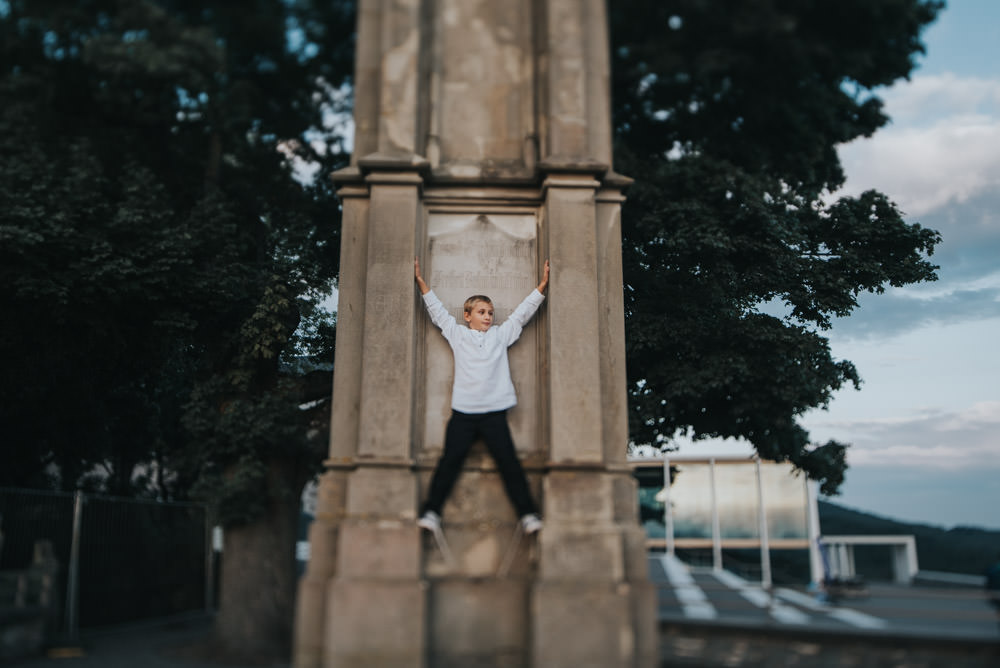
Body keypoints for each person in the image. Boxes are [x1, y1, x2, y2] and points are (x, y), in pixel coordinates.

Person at [414, 256, 549, 536]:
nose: (488, 316)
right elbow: (437, 312)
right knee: (449, 462)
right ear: (468, 316)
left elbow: (522, 314)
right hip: (464, 412)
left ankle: (527, 515)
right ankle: (431, 513)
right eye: (482, 312)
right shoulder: (457, 335)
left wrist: (542, 286)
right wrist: (421, 282)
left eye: (490, 312)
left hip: (494, 412)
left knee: (508, 463)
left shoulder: (501, 335)